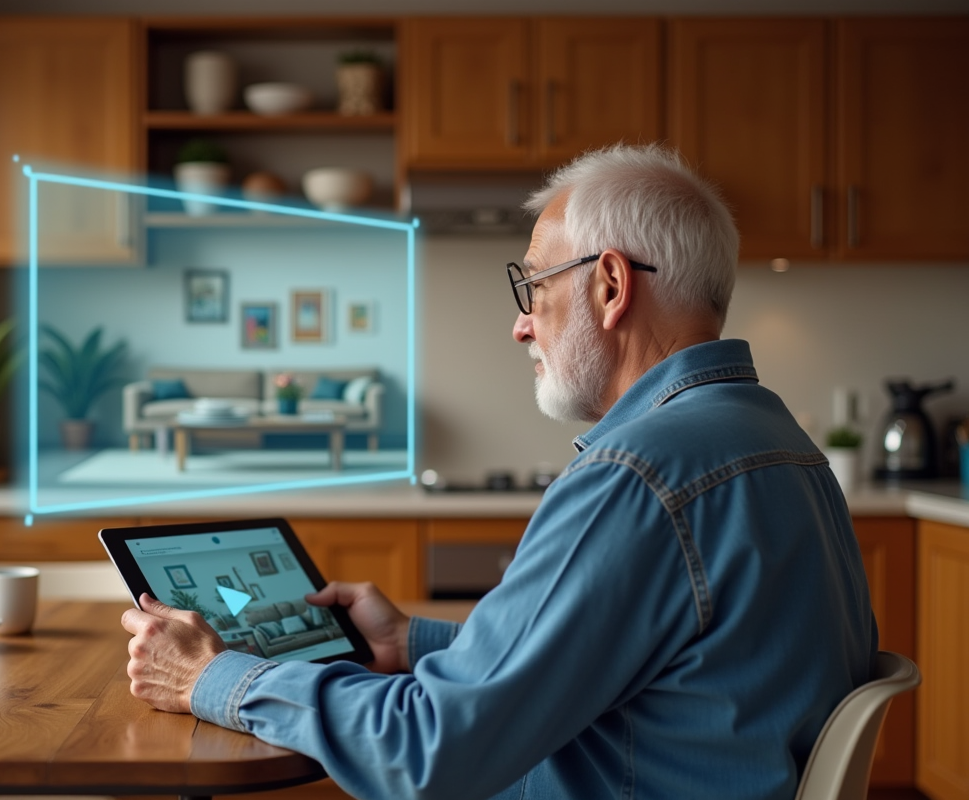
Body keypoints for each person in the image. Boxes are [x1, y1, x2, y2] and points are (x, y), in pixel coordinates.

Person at [121, 143, 877, 800]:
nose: (521, 323)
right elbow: (644, 665)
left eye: (535, 287)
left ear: (610, 286)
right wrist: (414, 643)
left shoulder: (639, 475)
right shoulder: (776, 439)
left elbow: (427, 753)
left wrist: (215, 678)